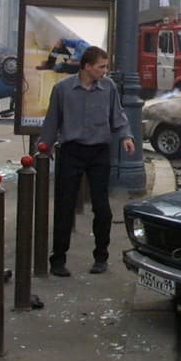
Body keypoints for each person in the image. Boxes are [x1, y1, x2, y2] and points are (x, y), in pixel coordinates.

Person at [37, 46, 134, 277]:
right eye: (101, 67)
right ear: (87, 67)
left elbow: (118, 116)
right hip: (71, 151)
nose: (105, 70)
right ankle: (58, 260)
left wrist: (126, 137)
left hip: (99, 152)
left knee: (102, 208)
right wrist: (43, 147)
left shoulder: (108, 87)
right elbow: (52, 121)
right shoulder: (63, 89)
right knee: (65, 206)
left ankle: (101, 257)